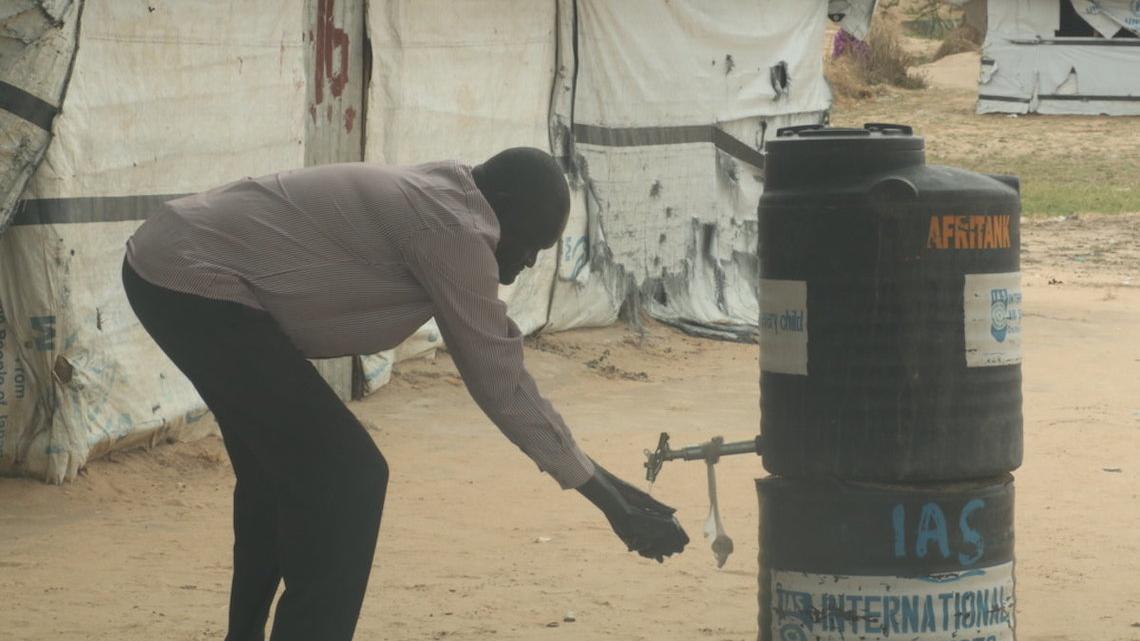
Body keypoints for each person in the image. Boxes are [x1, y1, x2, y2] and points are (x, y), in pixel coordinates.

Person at [121, 147, 689, 641]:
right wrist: (612, 507)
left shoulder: (449, 196)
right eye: (531, 240)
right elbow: (502, 383)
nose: (530, 260)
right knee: (350, 476)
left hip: (171, 263)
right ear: (503, 205)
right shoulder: (455, 232)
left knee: (280, 475)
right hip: (191, 279)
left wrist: (615, 488)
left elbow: (505, 374)